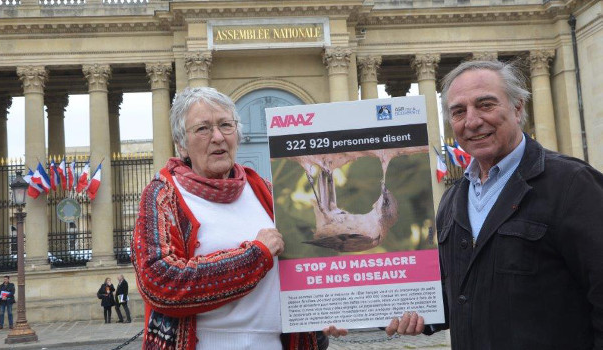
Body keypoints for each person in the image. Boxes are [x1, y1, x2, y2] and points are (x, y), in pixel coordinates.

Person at [384, 60, 603, 349]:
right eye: (459, 111)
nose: (472, 121)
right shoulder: (453, 198)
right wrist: (361, 311)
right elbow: (459, 294)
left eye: (485, 105)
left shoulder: (572, 184)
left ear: (518, 107)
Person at [132, 87, 345, 350]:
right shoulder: (163, 195)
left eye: (225, 125)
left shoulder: (267, 191)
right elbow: (159, 283)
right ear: (181, 145)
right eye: (203, 129)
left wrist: (327, 312)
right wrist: (255, 257)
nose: (218, 137)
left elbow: (305, 268)